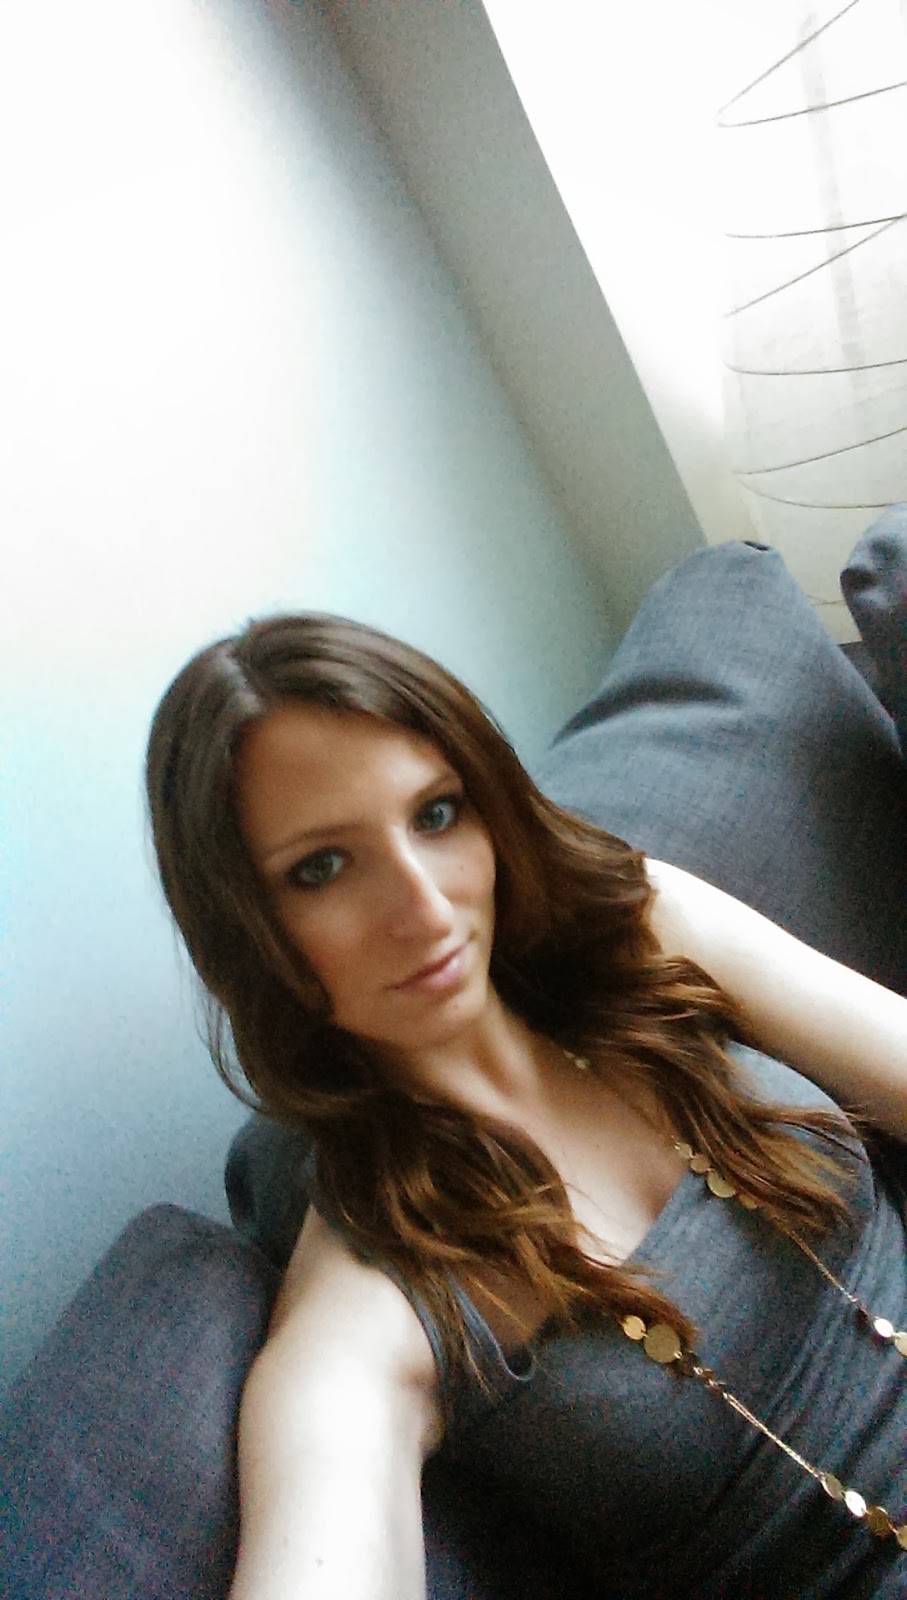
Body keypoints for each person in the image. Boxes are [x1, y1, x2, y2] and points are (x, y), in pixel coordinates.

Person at [145, 610, 907, 1600]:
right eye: (321, 868)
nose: (425, 907)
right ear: (246, 929)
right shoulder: (372, 1305)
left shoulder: (642, 935)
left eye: (435, 814)